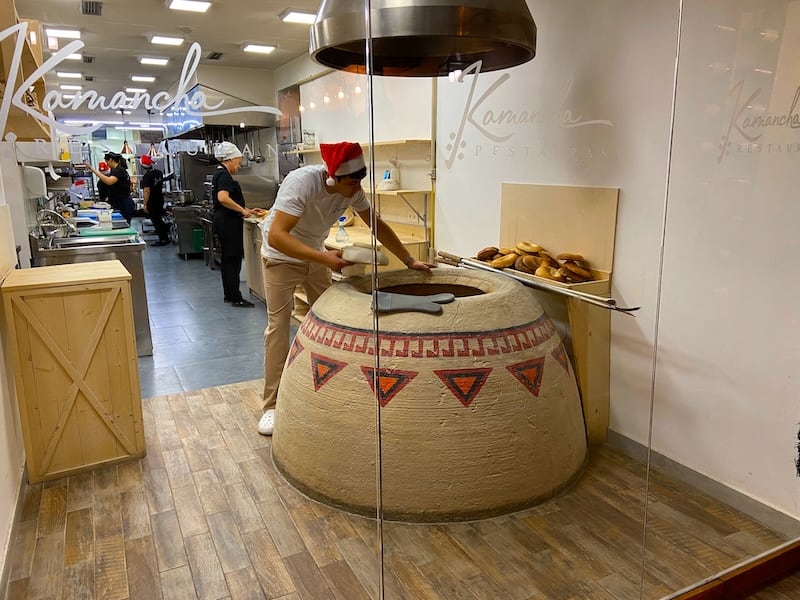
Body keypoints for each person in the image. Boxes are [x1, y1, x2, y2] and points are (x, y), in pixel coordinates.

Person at [257, 141, 433, 436]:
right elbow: (277, 235)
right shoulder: (302, 183)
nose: (356, 188)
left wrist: (409, 259)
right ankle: (271, 405)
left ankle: (322, 389)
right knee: (279, 326)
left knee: (329, 321)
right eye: (351, 182)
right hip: (280, 258)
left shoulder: (352, 189)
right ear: (332, 177)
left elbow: (376, 224)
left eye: (359, 182)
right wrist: (324, 258)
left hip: (314, 252)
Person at [212, 142, 263, 307]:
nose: (239, 166)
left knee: (227, 260)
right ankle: (236, 298)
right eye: (239, 161)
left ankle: (230, 294)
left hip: (224, 220)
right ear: (230, 159)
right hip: (228, 223)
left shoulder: (219, 173)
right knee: (232, 260)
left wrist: (248, 210)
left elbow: (228, 200)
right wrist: (242, 210)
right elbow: (223, 198)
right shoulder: (224, 175)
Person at [85, 152, 135, 222]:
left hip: (123, 204)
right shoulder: (116, 171)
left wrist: (93, 169)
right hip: (119, 203)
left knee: (123, 225)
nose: (107, 164)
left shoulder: (119, 170)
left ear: (111, 160)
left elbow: (109, 181)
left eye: (107, 162)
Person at [139, 155, 170, 246]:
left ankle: (163, 240)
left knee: (156, 220)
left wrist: (145, 204)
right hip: (160, 199)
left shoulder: (147, 176)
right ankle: (165, 237)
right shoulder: (159, 173)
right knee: (159, 219)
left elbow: (146, 191)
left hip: (152, 201)